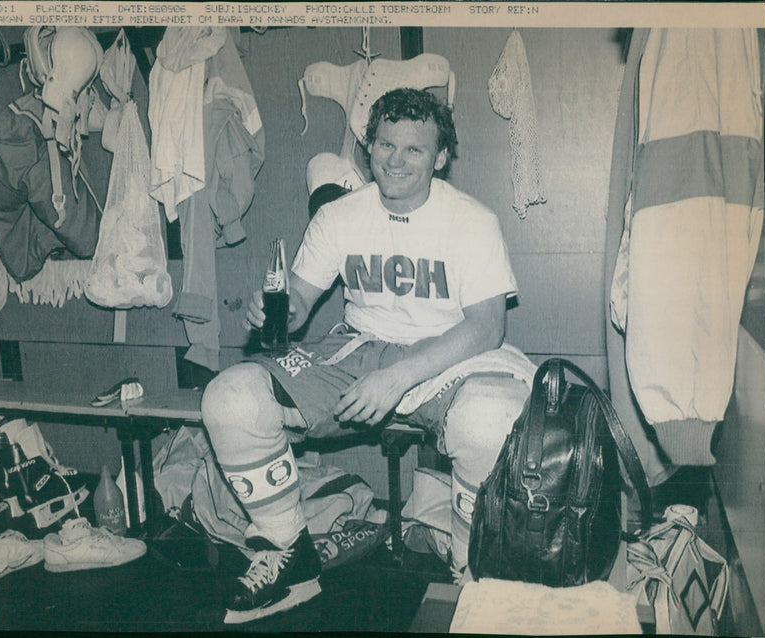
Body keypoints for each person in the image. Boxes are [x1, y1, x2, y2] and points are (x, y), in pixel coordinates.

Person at [201, 88, 530, 624]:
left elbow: (488, 326)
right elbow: (302, 300)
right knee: (231, 397)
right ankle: (288, 551)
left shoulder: (472, 220)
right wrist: (273, 311)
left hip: (450, 352)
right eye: (384, 144)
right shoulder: (340, 215)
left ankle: (474, 575)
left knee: (490, 419)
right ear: (368, 146)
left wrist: (397, 379)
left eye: (413, 150)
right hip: (358, 345)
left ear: (440, 157)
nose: (394, 160)